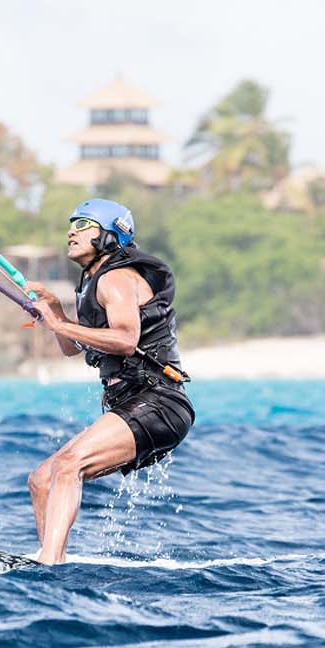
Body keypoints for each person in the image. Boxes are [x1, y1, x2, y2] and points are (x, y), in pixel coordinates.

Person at [25, 199, 194, 564]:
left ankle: (49, 561)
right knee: (42, 480)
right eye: (71, 223)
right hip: (134, 402)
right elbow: (72, 347)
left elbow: (125, 340)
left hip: (159, 401)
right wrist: (55, 310)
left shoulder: (117, 278)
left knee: (69, 465)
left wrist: (58, 324)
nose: (72, 230)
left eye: (83, 224)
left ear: (110, 234)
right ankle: (52, 561)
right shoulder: (93, 284)